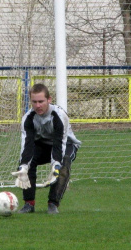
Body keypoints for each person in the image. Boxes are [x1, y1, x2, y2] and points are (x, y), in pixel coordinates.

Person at [11, 83, 81, 214]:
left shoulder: (59, 116)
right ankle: (28, 204)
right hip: (42, 144)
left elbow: (60, 143)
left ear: (49, 99)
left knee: (63, 165)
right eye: (34, 102)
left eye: (41, 101)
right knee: (27, 165)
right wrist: (23, 166)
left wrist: (55, 165)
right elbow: (27, 145)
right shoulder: (28, 118)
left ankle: (53, 204)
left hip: (66, 145)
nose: (38, 105)